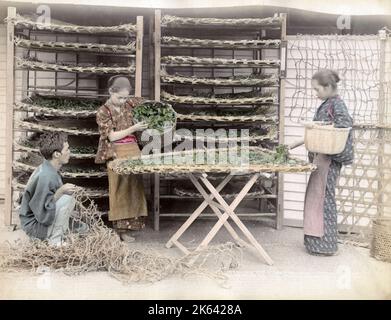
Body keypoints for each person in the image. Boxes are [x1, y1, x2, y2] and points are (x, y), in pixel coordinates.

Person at [303, 69, 354, 256]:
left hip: (329, 160)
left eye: (317, 90)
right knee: (316, 197)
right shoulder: (328, 104)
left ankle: (325, 245)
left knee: (323, 199)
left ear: (328, 87)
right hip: (321, 157)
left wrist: (317, 126)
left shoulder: (337, 105)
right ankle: (315, 243)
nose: (315, 93)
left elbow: (343, 127)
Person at [95, 75, 148, 243]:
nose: (123, 100)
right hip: (115, 151)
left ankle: (133, 227)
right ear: (111, 92)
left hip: (132, 149)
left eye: (126, 97)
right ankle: (120, 230)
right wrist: (133, 127)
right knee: (119, 190)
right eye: (119, 97)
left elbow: (151, 106)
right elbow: (111, 136)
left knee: (134, 188)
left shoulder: (130, 104)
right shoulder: (104, 111)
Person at [19, 132, 88, 247]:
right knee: (67, 198)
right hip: (35, 226)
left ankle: (56, 235)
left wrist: (69, 212)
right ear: (57, 154)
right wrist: (60, 192)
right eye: (67, 149)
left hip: (41, 219)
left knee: (84, 229)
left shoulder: (49, 169)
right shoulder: (45, 176)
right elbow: (41, 214)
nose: (69, 152)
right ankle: (54, 241)